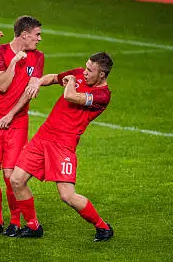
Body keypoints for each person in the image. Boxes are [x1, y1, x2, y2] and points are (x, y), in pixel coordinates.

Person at [9, 52, 115, 241]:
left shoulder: (102, 95)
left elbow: (71, 97)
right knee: (16, 180)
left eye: (90, 70)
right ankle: (33, 226)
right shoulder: (80, 75)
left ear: (102, 75)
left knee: (67, 195)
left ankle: (103, 227)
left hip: (63, 145)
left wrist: (72, 80)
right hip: (43, 136)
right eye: (85, 67)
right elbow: (53, 78)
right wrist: (38, 82)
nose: (85, 72)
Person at [0, 16, 44, 237]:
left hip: (17, 121)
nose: (39, 39)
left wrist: (11, 114)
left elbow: (29, 92)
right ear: (24, 35)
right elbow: (2, 86)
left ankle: (15, 222)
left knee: (9, 176)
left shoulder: (39, 57)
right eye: (37, 34)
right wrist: (14, 62)